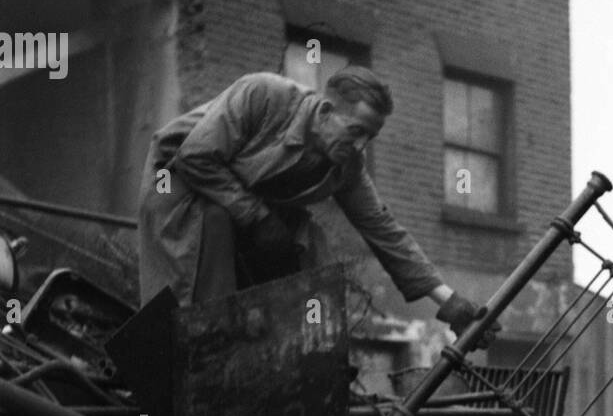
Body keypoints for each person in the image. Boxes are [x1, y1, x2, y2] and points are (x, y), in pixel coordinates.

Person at [138, 67, 478, 332]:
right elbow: (195, 156)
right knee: (215, 224)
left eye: (369, 138)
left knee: (310, 244)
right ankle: (212, 341)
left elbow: (383, 228)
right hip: (177, 182)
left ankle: (306, 351)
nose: (360, 147)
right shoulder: (264, 95)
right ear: (327, 110)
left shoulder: (347, 166)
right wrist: (258, 217)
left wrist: (448, 300)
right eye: (356, 131)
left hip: (239, 200)